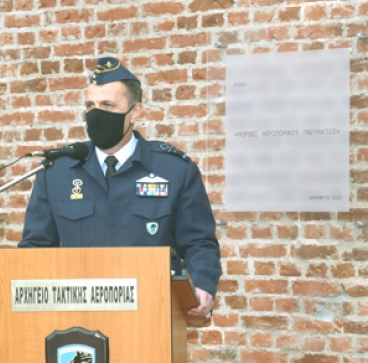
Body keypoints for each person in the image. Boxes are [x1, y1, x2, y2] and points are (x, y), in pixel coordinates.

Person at [18, 57, 222, 316]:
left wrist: (201, 284)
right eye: (90, 106)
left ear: (135, 112)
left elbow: (198, 241)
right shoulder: (57, 173)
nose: (96, 114)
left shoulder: (174, 170)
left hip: (152, 311)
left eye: (107, 105)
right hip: (76, 315)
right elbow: (35, 248)